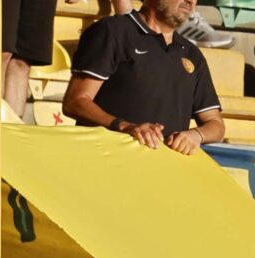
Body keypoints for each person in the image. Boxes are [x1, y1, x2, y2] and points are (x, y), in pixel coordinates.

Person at [65, 0, 226, 149]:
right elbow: (75, 102)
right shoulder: (112, 31)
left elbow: (215, 123)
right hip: (106, 159)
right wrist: (124, 126)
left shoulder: (193, 54)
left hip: (163, 167)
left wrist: (197, 135)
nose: (190, 1)